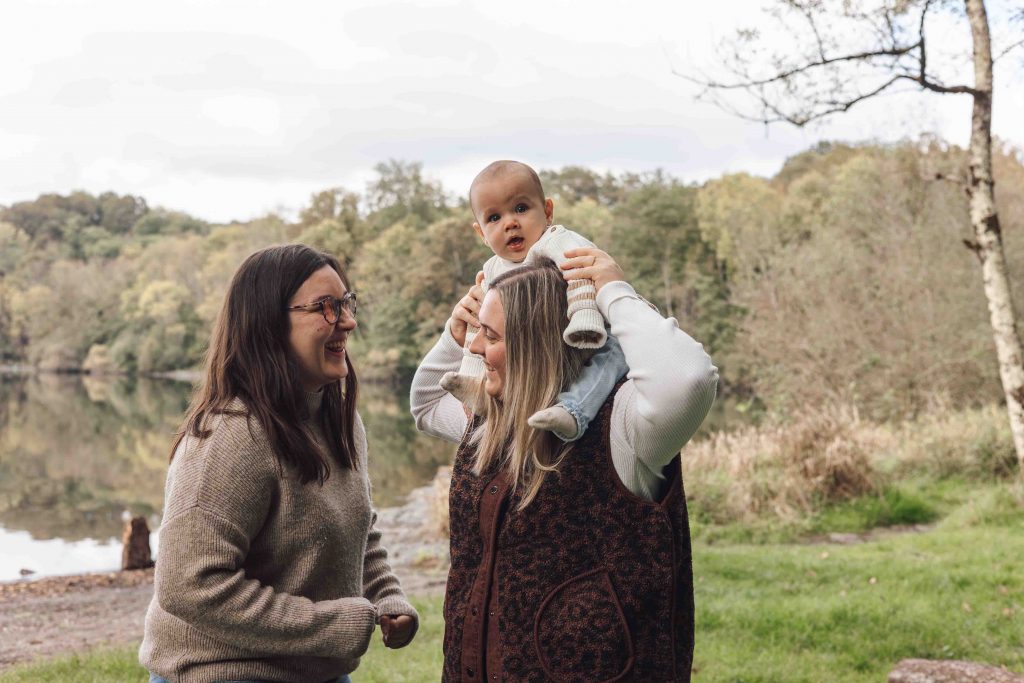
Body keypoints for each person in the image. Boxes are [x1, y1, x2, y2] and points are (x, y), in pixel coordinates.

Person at [411, 254, 718, 681]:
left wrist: (613, 292)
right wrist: (454, 332)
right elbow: (425, 402)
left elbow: (690, 379)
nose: (475, 348)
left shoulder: (623, 428)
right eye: (478, 332)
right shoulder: (491, 418)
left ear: (536, 344)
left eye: (491, 335)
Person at [140, 244, 418, 683]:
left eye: (345, 303)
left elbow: (358, 525)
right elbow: (187, 585)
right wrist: (331, 624)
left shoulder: (336, 417)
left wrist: (386, 597)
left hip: (314, 672)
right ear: (269, 325)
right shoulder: (232, 436)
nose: (348, 320)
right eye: (325, 307)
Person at [440, 159, 629, 442]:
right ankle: (480, 392)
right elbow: (484, 332)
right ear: (481, 232)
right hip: (541, 356)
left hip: (593, 329)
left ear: (548, 211)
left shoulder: (557, 242)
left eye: (521, 208)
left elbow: (583, 277)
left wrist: (586, 320)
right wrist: (463, 345)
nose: (510, 223)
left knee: (612, 354)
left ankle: (574, 409)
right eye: (494, 218)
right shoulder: (493, 269)